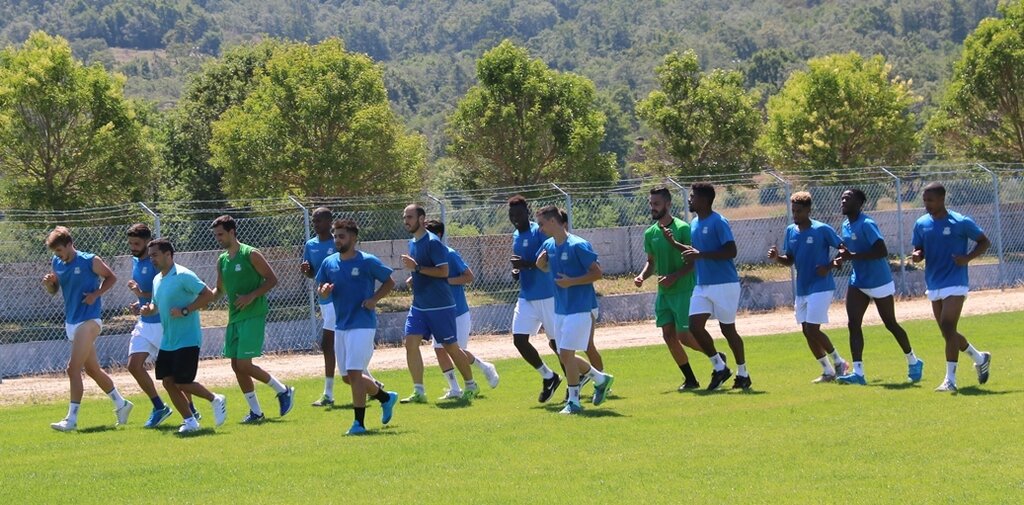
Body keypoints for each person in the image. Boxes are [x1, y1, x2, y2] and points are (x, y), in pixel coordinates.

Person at [43, 226, 133, 431]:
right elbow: (54, 290)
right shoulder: (57, 262)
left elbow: (111, 277)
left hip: (90, 320)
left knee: (72, 369)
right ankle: (122, 404)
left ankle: (71, 420)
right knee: (92, 370)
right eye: (55, 252)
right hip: (71, 322)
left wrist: (95, 295)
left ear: (69, 244)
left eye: (59, 250)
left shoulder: (90, 260)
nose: (58, 255)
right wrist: (49, 284)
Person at [316, 219, 399, 434]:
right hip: (341, 325)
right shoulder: (329, 263)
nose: (337, 240)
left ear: (353, 238)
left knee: (354, 373)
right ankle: (385, 398)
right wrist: (323, 292)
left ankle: (359, 424)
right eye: (335, 236)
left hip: (362, 324)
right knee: (347, 378)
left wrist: (374, 299)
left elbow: (389, 281)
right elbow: (321, 287)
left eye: (341, 236)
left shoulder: (367, 261)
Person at [210, 215, 295, 423]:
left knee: (244, 364)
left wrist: (251, 296)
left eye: (221, 234)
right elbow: (218, 290)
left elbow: (272, 279)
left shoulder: (251, 254)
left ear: (232, 232)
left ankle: (283, 390)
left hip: (253, 314)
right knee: (236, 366)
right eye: (216, 235)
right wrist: (198, 301)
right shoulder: (222, 260)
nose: (218, 238)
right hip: (234, 317)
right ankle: (256, 412)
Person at [834, 189, 923, 385]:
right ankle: (858, 373)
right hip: (858, 281)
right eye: (842, 198)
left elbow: (881, 250)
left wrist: (852, 256)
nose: (843, 201)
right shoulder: (845, 225)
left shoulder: (867, 224)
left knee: (890, 323)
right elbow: (850, 250)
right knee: (853, 324)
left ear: (859, 203)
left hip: (879, 281)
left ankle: (913, 361)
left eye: (847, 198)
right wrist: (841, 257)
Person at [911, 183, 992, 392]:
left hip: (956, 281)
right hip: (934, 282)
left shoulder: (960, 221)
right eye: (925, 200)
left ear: (942, 199)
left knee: (948, 326)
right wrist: (918, 254)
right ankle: (979, 358)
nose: (927, 204)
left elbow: (984, 242)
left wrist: (967, 258)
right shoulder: (921, 223)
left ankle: (950, 380)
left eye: (931, 200)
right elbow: (919, 247)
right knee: (948, 332)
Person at [141, 238, 227, 434]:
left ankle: (215, 399)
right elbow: (155, 305)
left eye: (155, 255)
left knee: (182, 382)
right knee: (168, 382)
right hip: (168, 341)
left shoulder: (184, 275)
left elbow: (208, 295)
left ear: (168, 254)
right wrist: (148, 309)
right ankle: (190, 421)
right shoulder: (157, 279)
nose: (151, 259)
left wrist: (185, 310)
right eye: (150, 255)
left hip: (187, 339)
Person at [535, 205, 614, 415]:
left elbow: (597, 273)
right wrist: (540, 264)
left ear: (553, 221)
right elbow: (546, 267)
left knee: (567, 354)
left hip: (581, 307)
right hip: (561, 308)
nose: (540, 228)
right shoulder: (548, 245)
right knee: (564, 355)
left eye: (542, 224)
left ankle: (574, 402)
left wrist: (572, 282)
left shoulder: (578, 245)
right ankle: (600, 379)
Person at [399, 204, 478, 403]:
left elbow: (443, 272)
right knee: (410, 343)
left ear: (421, 219)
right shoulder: (412, 243)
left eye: (410, 217)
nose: (406, 221)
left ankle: (471, 385)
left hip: (440, 306)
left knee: (451, 348)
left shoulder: (433, 242)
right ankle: (419, 391)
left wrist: (417, 268)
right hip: (419, 305)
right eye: (404, 217)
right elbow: (421, 270)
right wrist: (415, 277)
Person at [768, 192, 849, 383]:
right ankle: (827, 371)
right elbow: (790, 259)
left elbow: (843, 250)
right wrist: (777, 258)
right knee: (806, 331)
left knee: (812, 329)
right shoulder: (791, 231)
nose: (795, 215)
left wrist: (829, 266)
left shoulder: (821, 229)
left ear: (808, 210)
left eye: (799, 211)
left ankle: (839, 362)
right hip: (802, 288)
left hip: (822, 286)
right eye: (793, 211)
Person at [678, 183, 753, 390]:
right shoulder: (694, 223)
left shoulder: (718, 222)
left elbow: (731, 251)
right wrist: (677, 245)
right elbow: (697, 252)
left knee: (728, 330)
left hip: (724, 284)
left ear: (704, 200)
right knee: (694, 326)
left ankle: (743, 373)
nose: (690, 199)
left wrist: (701, 255)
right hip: (702, 285)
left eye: (693, 196)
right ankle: (719, 367)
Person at [634, 187, 703, 390]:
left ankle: (716, 357)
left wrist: (674, 277)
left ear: (668, 204)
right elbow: (651, 262)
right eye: (651, 204)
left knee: (685, 337)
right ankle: (690, 379)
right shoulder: (650, 233)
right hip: (663, 293)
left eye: (656, 204)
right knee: (668, 336)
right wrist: (642, 276)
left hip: (683, 290)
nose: (652, 207)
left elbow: (693, 262)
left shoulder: (683, 228)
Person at [424, 219, 500, 399]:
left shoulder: (449, 254)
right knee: (439, 350)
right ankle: (455, 389)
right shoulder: (424, 258)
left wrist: (446, 281)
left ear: (438, 235)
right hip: (438, 313)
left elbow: (469, 276)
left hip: (457, 312)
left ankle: (484, 367)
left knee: (456, 350)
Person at [508, 196, 563, 402]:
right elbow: (520, 263)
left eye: (519, 214)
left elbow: (547, 260)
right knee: (519, 340)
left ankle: (578, 381)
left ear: (527, 212)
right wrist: (516, 270)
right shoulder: (515, 235)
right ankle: (549, 376)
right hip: (526, 296)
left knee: (557, 345)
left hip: (547, 295)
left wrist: (526, 264)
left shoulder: (539, 231)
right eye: (512, 215)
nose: (515, 218)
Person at [124, 223, 180, 428]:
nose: (133, 247)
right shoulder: (135, 261)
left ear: (148, 242)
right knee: (133, 366)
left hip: (161, 324)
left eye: (137, 244)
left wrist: (140, 294)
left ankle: (192, 411)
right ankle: (159, 407)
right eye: (131, 243)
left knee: (173, 376)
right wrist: (138, 303)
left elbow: (162, 292)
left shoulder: (156, 263)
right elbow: (146, 295)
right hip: (144, 323)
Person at [301, 207, 339, 406]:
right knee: (341, 346)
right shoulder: (310, 244)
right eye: (314, 221)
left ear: (329, 222)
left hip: (338, 300)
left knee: (327, 344)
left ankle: (328, 394)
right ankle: (373, 385)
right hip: (323, 301)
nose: (315, 224)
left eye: (319, 220)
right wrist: (306, 271)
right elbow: (312, 274)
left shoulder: (338, 242)